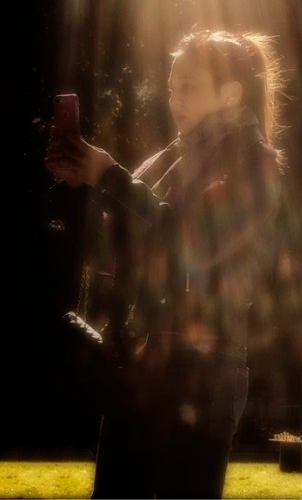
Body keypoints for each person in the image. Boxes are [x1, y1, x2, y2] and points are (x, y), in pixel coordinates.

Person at [46, 29, 285, 499]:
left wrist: (110, 176)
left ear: (230, 93)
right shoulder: (168, 158)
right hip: (140, 365)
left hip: (205, 370)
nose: (175, 99)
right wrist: (78, 186)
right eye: (172, 87)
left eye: (189, 88)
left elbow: (196, 243)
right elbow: (116, 253)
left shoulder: (255, 162)